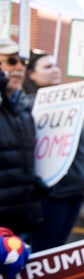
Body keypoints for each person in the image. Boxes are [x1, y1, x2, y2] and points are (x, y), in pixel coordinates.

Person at [23, 51, 84, 252]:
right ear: (31, 75)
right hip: (52, 192)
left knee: (60, 247)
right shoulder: (27, 105)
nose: (55, 70)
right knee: (45, 250)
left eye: (56, 65)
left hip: (75, 186)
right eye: (47, 67)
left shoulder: (70, 101)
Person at [0, 39, 44, 236]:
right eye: (11, 61)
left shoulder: (23, 108)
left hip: (22, 218)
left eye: (23, 63)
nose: (18, 67)